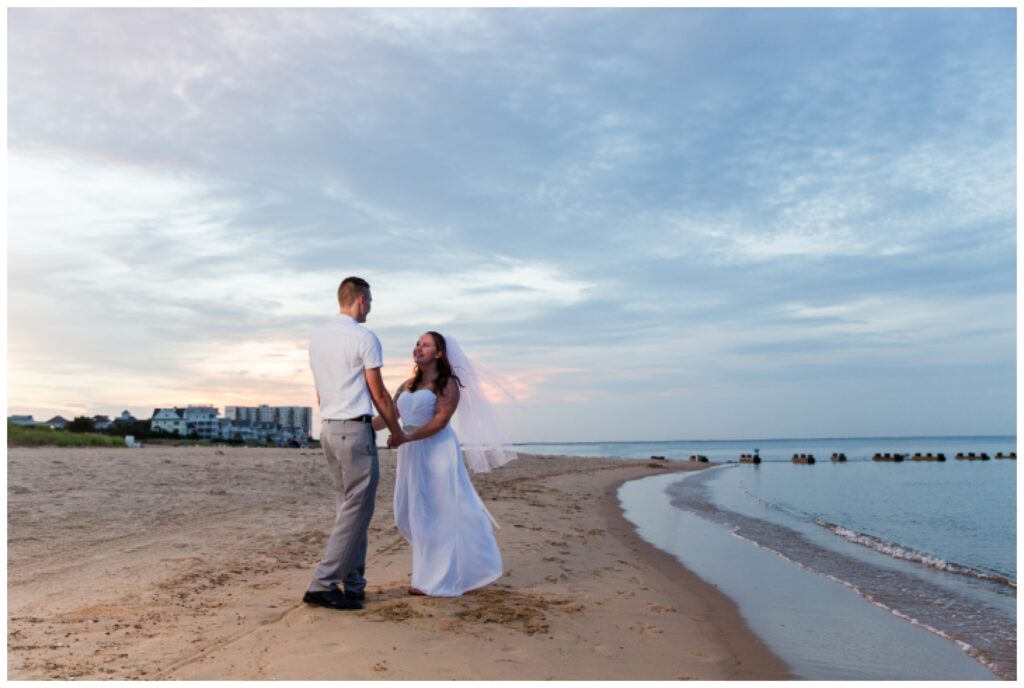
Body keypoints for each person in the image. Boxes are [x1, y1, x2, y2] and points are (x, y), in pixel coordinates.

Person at [375, 331, 516, 596]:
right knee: (408, 515)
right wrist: (362, 426)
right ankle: (430, 573)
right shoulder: (406, 385)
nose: (418, 348)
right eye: (417, 343)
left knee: (438, 515)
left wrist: (407, 436)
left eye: (425, 345)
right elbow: (389, 415)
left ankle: (434, 580)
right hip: (410, 453)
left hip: (437, 451)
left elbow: (440, 421)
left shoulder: (447, 384)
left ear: (438, 353)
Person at [303, 276, 406, 611]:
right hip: (353, 431)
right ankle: (322, 584)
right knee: (357, 509)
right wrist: (397, 431)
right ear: (360, 300)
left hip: (329, 430)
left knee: (348, 508)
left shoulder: (317, 338)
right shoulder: (364, 337)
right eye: (370, 302)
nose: (371, 308)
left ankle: (354, 582)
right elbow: (379, 394)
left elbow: (320, 392)